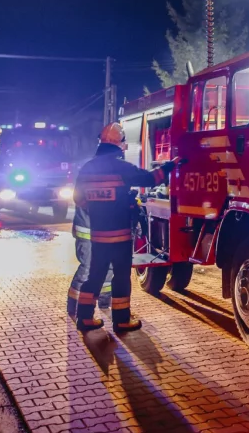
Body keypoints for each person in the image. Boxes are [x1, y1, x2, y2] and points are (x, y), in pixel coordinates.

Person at [73, 123, 175, 333]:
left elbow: (78, 199)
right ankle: (121, 320)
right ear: (119, 143)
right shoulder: (121, 167)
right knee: (120, 276)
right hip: (120, 236)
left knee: (95, 275)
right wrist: (169, 166)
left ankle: (84, 318)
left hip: (98, 236)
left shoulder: (87, 168)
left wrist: (98, 210)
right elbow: (150, 178)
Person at [67, 175, 112, 319]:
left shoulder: (105, 177)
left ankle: (104, 301)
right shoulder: (89, 176)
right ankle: (74, 306)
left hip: (104, 233)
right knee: (87, 268)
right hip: (88, 233)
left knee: (109, 267)